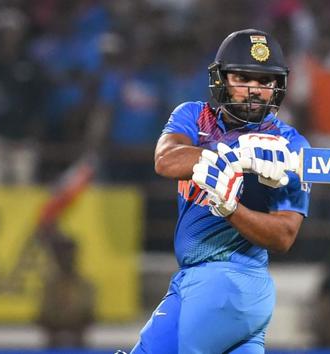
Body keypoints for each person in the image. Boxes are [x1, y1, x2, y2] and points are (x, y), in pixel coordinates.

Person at [127, 29, 311, 354]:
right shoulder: (194, 116)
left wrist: (232, 211)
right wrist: (239, 154)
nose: (254, 90)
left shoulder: (290, 146)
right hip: (191, 279)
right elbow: (165, 160)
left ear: (278, 86)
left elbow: (284, 235)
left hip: (232, 278)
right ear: (221, 79)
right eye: (243, 78)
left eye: (265, 81)